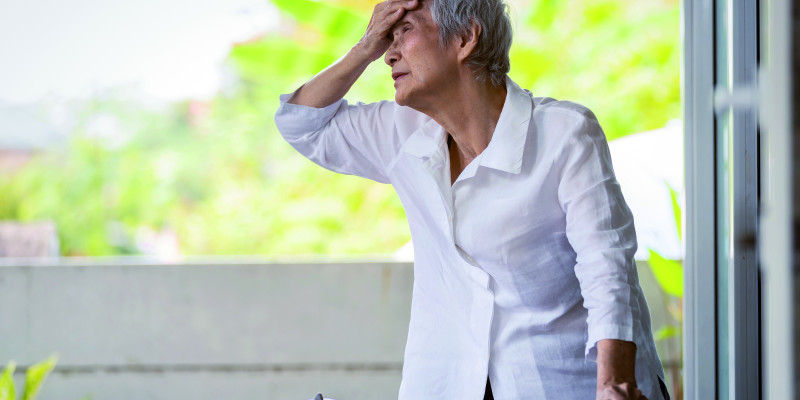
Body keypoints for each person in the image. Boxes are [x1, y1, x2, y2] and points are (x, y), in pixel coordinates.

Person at [274, 1, 669, 399]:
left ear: (465, 38)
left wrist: (612, 384)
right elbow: (302, 125)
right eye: (386, 38)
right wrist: (364, 46)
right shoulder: (402, 133)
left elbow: (607, 269)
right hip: (447, 384)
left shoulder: (564, 135)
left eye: (404, 32)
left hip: (566, 384)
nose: (388, 53)